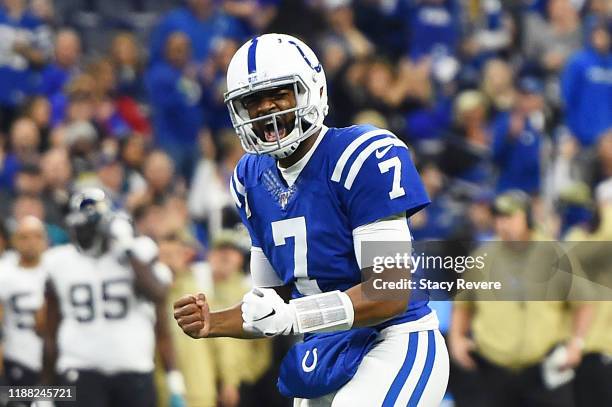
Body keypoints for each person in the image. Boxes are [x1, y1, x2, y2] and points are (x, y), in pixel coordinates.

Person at [174, 33, 449, 406]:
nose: (266, 110)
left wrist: (292, 317)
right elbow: (271, 303)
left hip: (394, 340)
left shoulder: (362, 155)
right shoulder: (249, 179)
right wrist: (214, 323)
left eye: (279, 94)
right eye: (252, 101)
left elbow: (388, 292)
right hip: (325, 349)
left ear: (312, 90)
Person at [448, 190, 593, 407]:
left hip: (543, 368)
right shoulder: (482, 257)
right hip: (492, 367)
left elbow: (583, 302)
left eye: (509, 217)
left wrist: (576, 344)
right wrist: (457, 339)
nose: (502, 224)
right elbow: (463, 305)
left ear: (527, 218)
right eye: (497, 218)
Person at [42, 188, 185, 407]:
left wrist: (127, 248)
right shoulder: (58, 262)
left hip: (133, 369)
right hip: (79, 370)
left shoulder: (138, 253)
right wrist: (44, 394)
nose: (83, 233)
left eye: (89, 226)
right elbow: (50, 333)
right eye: (78, 226)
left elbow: (158, 295)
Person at [0, 216, 48, 407]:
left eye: (36, 236)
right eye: (24, 237)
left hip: (52, 361)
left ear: (45, 240)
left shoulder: (57, 268)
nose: (31, 243)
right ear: (15, 241)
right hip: (17, 358)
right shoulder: (4, 273)